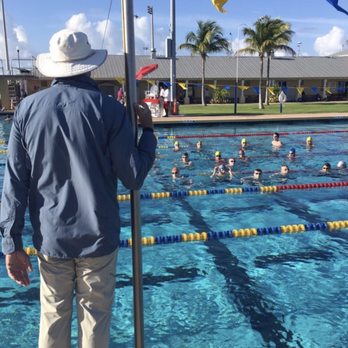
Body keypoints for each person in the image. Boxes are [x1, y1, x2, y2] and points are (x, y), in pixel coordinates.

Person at [0, 29, 157, 348]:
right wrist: (149, 132)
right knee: (95, 323)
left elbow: (15, 181)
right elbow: (133, 177)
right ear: (89, 65)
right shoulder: (110, 110)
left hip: (51, 238)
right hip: (98, 237)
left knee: (53, 320)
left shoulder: (27, 111)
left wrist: (10, 242)